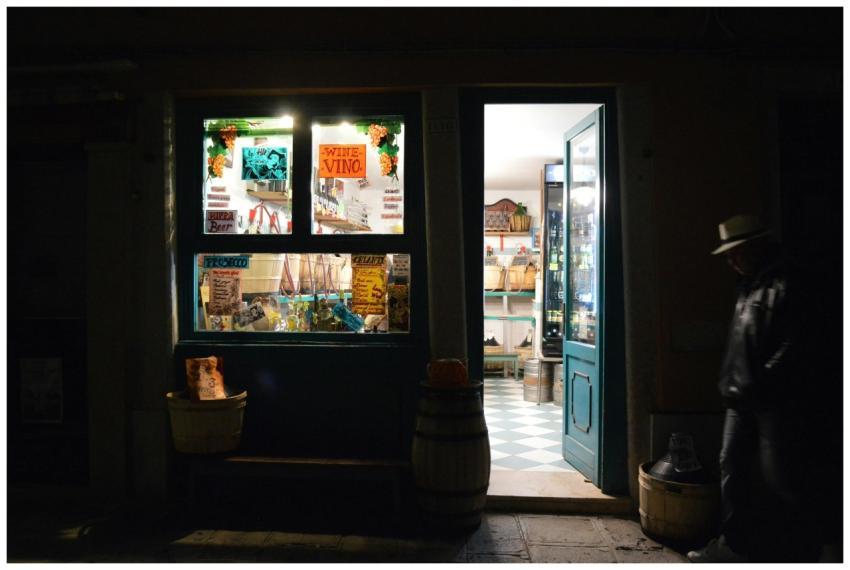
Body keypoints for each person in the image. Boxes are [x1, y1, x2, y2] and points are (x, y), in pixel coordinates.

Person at [687, 214, 820, 563]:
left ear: (757, 246)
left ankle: (807, 549)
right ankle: (733, 545)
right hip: (740, 395)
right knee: (732, 468)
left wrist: (764, 382)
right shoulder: (749, 284)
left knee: (781, 477)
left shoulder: (786, 282)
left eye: (736, 252)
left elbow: (797, 344)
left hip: (771, 399)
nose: (731, 260)